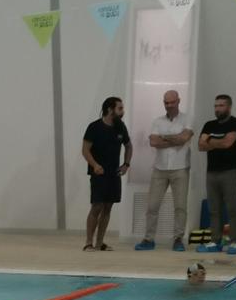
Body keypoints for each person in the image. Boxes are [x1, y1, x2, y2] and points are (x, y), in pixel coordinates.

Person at [137, 89, 192, 251]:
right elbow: (153, 142)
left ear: (178, 101)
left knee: (180, 206)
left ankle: (178, 239)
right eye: (166, 103)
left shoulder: (188, 118)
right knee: (152, 206)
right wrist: (174, 139)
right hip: (159, 168)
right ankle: (148, 239)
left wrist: (164, 138)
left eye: (172, 102)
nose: (168, 105)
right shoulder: (157, 121)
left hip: (180, 168)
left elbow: (184, 138)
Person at [80, 97, 130, 251]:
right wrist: (94, 165)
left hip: (114, 173)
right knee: (97, 207)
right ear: (110, 109)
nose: (123, 111)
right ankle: (89, 243)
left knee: (108, 207)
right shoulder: (94, 127)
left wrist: (126, 165)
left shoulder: (120, 127)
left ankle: (99, 242)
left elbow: (129, 146)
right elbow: (85, 150)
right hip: (99, 173)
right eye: (120, 108)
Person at [196, 94, 236, 253]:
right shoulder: (209, 125)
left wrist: (211, 141)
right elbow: (201, 146)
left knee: (232, 207)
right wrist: (217, 143)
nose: (218, 109)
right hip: (212, 172)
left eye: (221, 105)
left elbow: (228, 143)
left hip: (230, 171)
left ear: (229, 107)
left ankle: (235, 241)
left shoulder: (235, 123)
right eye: (216, 106)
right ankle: (215, 240)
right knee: (214, 209)